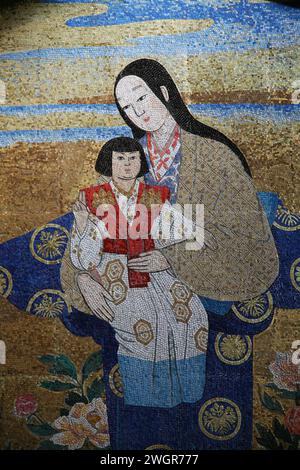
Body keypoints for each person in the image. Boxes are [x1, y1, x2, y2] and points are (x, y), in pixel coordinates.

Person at [112, 58, 279, 304]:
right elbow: (97, 216)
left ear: (164, 92)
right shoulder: (128, 157)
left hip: (201, 267)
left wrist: (170, 257)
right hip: (141, 272)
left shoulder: (215, 154)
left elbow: (247, 238)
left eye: (141, 98)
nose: (137, 112)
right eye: (126, 107)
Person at [67, 136, 209, 408]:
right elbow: (83, 259)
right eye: (120, 158)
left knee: (193, 315)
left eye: (132, 158)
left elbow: (187, 235)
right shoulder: (94, 198)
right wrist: (83, 223)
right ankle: (144, 400)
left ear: (140, 161)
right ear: (108, 163)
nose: (127, 164)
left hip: (154, 268)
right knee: (142, 322)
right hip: (114, 272)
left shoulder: (154, 196)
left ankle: (187, 395)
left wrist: (166, 258)